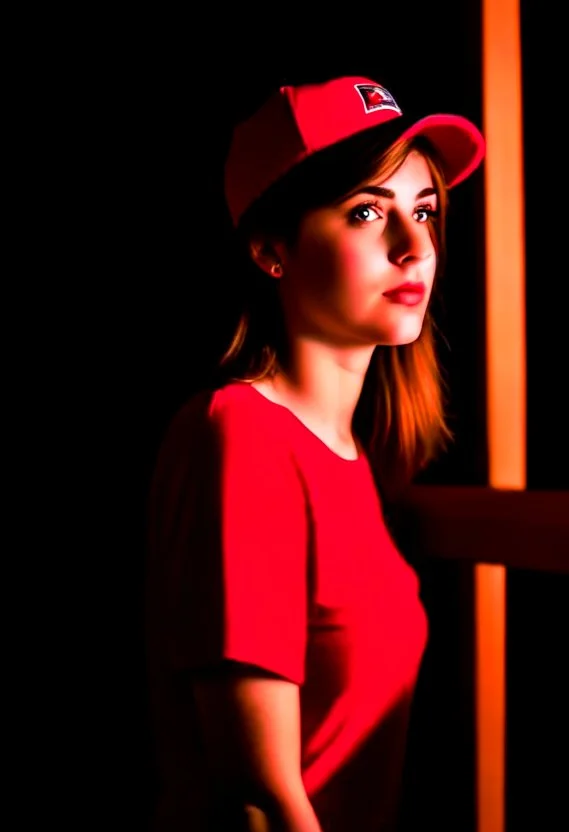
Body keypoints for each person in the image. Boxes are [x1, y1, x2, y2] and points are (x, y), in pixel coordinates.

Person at [144, 74, 485, 831]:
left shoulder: (350, 455)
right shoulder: (242, 436)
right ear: (272, 249)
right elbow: (261, 796)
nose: (415, 248)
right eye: (366, 212)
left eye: (424, 211)